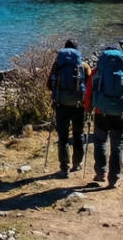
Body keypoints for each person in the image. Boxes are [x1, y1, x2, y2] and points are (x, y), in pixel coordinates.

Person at [84, 45, 123, 188]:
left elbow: (89, 93)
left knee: (100, 142)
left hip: (100, 113)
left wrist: (87, 108)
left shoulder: (96, 72)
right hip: (120, 114)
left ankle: (101, 172)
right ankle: (113, 178)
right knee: (117, 146)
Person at [45, 39, 90, 176]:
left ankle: (65, 167)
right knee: (78, 135)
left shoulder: (57, 65)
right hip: (78, 105)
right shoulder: (83, 65)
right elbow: (89, 87)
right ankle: (77, 163)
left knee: (63, 137)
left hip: (61, 105)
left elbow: (48, 85)